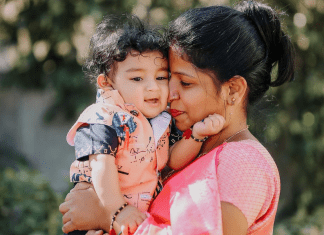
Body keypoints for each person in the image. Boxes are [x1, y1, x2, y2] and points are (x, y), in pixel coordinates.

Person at [60, 1, 295, 234]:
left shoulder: (244, 162)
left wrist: (108, 217)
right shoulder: (182, 145)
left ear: (232, 90)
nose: (168, 94)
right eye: (168, 78)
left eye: (185, 82)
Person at [64, 14, 224, 235]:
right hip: (98, 215)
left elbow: (173, 161)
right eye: (137, 79)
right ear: (107, 82)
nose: (153, 88)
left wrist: (196, 135)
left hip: (132, 220)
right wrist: (117, 210)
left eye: (161, 78)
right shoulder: (103, 118)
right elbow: (102, 167)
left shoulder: (160, 121)